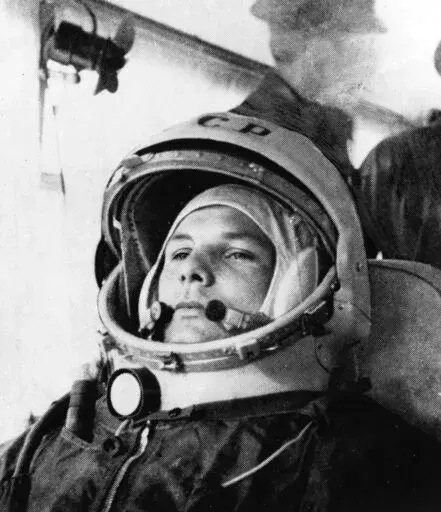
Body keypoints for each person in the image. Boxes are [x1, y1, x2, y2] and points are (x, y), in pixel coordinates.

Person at [1, 110, 441, 512]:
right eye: (179, 252)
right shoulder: (59, 434)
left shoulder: (358, 463)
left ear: (298, 282)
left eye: (236, 254)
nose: (192, 270)